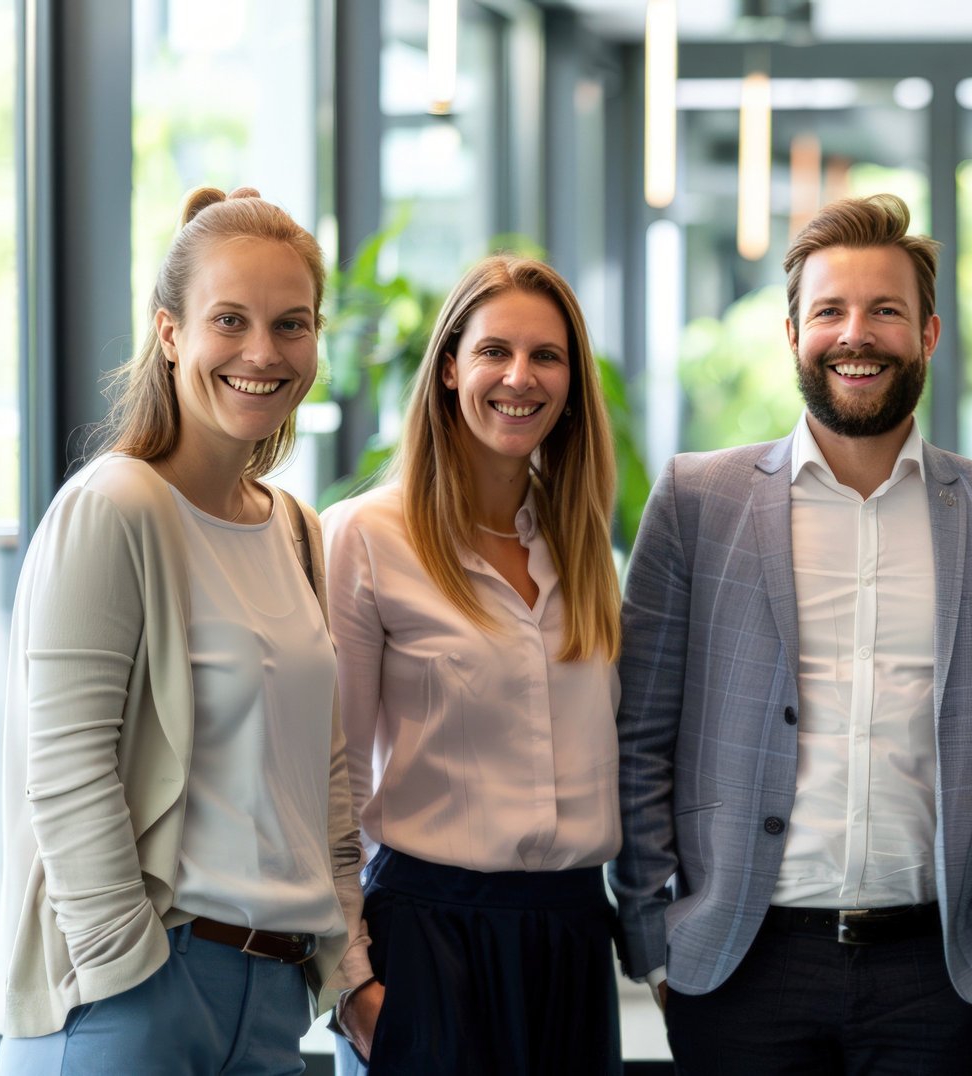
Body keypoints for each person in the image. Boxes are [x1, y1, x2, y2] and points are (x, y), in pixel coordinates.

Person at [613, 193, 972, 1074]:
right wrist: (655, 935)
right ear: (793, 334)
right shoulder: (699, 500)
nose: (857, 335)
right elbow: (639, 736)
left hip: (937, 973)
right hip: (739, 963)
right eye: (830, 311)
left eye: (884, 311)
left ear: (927, 335)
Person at [0, 186, 366, 1073]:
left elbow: (324, 778)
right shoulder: (116, 505)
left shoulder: (296, 530)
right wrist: (129, 972)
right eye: (228, 320)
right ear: (170, 333)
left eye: (292, 324)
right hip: (141, 990)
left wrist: (342, 964)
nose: (262, 353)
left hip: (276, 995)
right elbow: (65, 767)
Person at [322, 254, 624, 1074]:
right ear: (450, 367)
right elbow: (328, 782)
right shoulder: (366, 537)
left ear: (570, 384)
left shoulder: (584, 548)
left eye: (546, 356)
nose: (519, 378)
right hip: (426, 938)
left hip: (569, 937)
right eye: (495, 351)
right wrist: (352, 982)